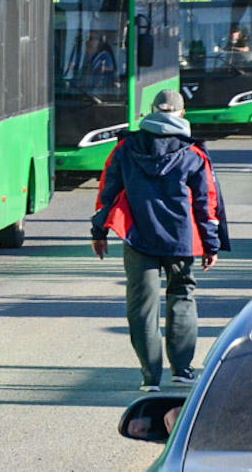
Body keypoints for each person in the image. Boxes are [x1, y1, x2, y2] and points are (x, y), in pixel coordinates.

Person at [91, 89, 222, 392]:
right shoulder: (193, 154)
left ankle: (150, 378)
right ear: (181, 113)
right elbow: (206, 203)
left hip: (138, 239)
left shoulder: (125, 148)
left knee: (142, 308)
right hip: (181, 240)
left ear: (151, 112)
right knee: (182, 298)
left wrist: (99, 232)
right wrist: (211, 244)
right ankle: (182, 370)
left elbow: (107, 193)